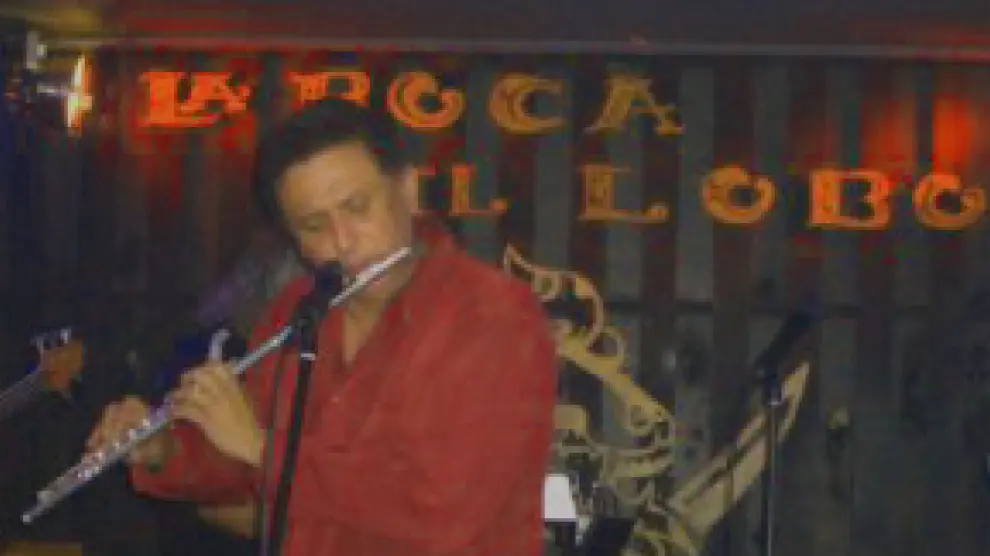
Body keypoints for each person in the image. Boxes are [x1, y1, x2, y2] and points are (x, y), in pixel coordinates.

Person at [86, 97, 559, 556]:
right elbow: (245, 469)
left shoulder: (495, 315)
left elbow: (443, 515)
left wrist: (265, 450)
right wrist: (165, 449)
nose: (343, 241)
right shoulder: (296, 311)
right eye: (314, 226)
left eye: (357, 207)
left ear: (408, 190)